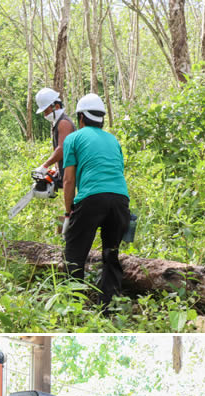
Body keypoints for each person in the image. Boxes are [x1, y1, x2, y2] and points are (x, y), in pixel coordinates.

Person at [62, 93, 130, 308]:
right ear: (101, 118)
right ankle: (107, 307)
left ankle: (74, 305)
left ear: (80, 118)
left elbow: (68, 180)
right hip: (120, 200)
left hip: (91, 198)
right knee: (111, 253)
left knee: (75, 253)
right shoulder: (113, 139)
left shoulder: (73, 138)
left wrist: (68, 212)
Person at [34, 87, 75, 185]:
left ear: (56, 106)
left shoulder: (63, 123)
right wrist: (56, 168)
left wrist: (45, 165)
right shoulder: (58, 123)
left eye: (46, 111)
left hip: (72, 175)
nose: (45, 115)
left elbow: (62, 149)